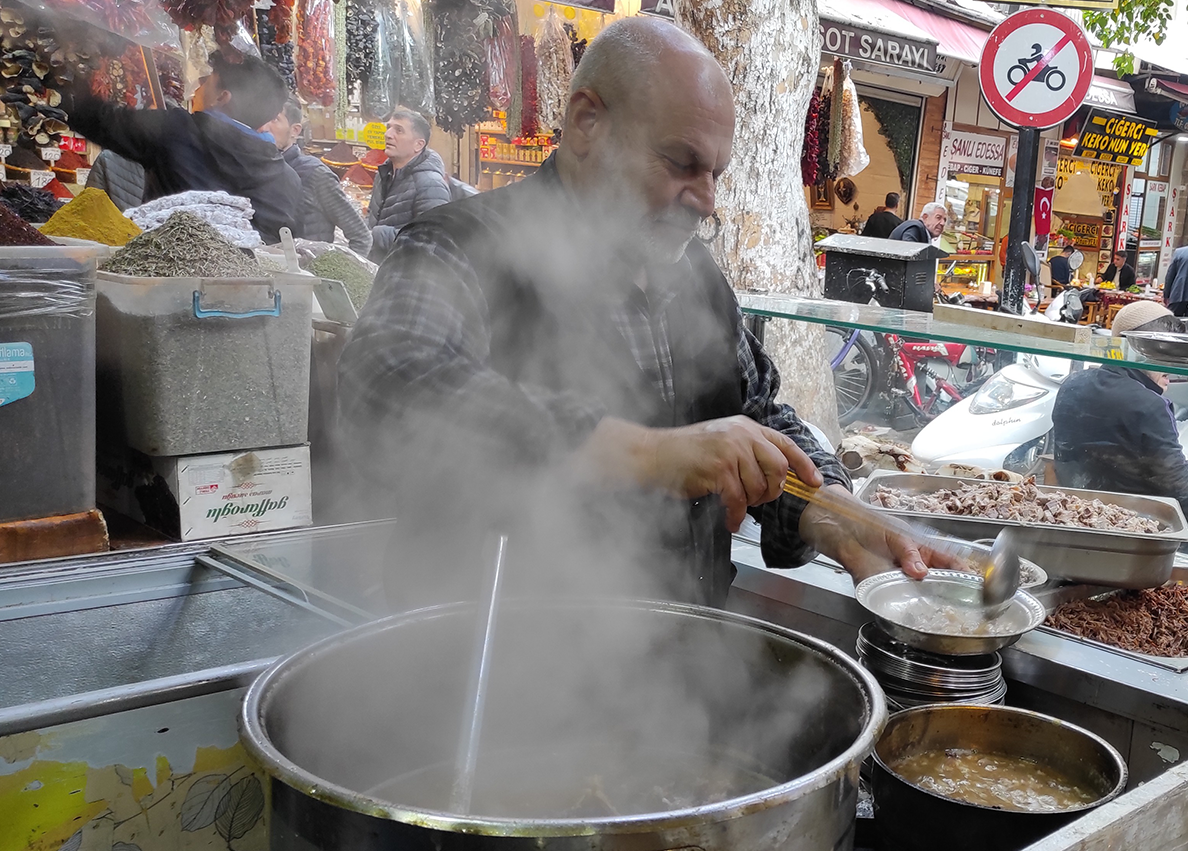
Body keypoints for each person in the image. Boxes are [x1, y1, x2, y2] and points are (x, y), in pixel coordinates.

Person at [337, 18, 945, 609]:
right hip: (491, 672)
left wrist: (833, 510)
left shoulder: (694, 275)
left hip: (675, 676)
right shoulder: (461, 246)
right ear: (586, 122)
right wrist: (650, 455)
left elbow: (756, 413)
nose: (706, 202)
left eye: (715, 174)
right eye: (681, 163)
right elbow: (387, 385)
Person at [1051, 300, 1188, 570]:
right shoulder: (1148, 404)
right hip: (1139, 534)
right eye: (1163, 354)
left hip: (1081, 518)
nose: (1170, 368)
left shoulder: (1073, 384)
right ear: (1142, 350)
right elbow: (1185, 494)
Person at [66, 50, 301, 243]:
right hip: (246, 293)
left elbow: (98, 120)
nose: (198, 87)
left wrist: (67, 74)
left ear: (223, 98)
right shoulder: (287, 178)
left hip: (163, 280)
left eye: (207, 80)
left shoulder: (177, 131)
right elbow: (276, 248)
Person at [262, 100, 372, 254]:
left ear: (295, 130)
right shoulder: (256, 170)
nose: (265, 127)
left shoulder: (314, 173)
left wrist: (337, 271)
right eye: (263, 118)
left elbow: (361, 236)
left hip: (309, 273)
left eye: (275, 120)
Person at [366, 108, 454, 260]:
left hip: (404, 276)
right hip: (378, 269)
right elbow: (372, 215)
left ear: (418, 145)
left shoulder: (431, 184)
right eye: (389, 128)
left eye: (399, 130)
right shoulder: (384, 174)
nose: (388, 135)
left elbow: (432, 241)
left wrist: (378, 234)